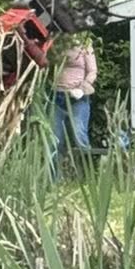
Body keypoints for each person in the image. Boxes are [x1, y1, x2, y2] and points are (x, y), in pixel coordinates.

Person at [52, 36, 97, 171]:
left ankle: (87, 175)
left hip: (78, 97)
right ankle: (54, 179)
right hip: (58, 95)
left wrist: (83, 87)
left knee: (79, 135)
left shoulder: (85, 43)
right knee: (55, 139)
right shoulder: (57, 41)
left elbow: (92, 71)